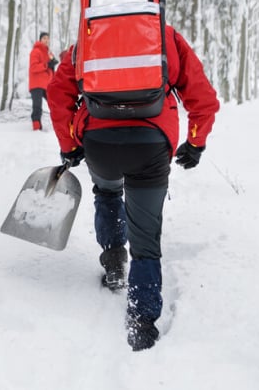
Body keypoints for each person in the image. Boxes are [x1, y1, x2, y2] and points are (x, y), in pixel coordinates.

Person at [46, 18, 220, 351]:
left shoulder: (89, 40)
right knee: (146, 239)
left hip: (100, 143)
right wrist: (196, 142)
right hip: (151, 145)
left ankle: (113, 261)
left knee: (107, 191)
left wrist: (69, 146)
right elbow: (202, 95)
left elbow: (58, 93)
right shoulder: (165, 37)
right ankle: (141, 321)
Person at [28, 32, 57, 131]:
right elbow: (33, 67)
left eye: (48, 38)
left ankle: (58, 125)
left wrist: (52, 66)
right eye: (44, 38)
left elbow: (50, 70)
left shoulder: (48, 53)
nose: (46, 40)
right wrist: (46, 65)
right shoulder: (35, 51)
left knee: (54, 103)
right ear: (40, 40)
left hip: (46, 84)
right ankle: (36, 128)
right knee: (37, 107)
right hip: (36, 84)